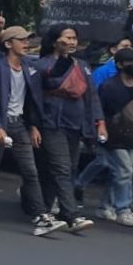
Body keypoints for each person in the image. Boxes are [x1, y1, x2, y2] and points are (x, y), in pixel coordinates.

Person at [0, 26, 68, 236]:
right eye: (21, 40)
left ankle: (40, 216)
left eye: (28, 39)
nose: (27, 43)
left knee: (30, 170)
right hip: (0, 123)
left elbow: (53, 75)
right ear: (9, 44)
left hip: (20, 124)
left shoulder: (30, 66)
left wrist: (63, 53)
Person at [34, 25, 100, 232]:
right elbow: (52, 79)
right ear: (55, 41)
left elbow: (91, 96)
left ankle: (43, 208)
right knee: (61, 168)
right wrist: (62, 58)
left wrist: (96, 124)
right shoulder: (43, 64)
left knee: (68, 168)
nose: (71, 42)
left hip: (75, 123)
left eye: (73, 38)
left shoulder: (82, 65)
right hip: (53, 122)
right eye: (67, 38)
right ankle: (71, 215)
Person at [73, 48, 133, 227]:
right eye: (129, 62)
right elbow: (98, 109)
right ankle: (123, 209)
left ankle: (106, 206)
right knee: (124, 170)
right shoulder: (109, 86)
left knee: (121, 173)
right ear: (119, 65)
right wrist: (98, 129)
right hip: (113, 135)